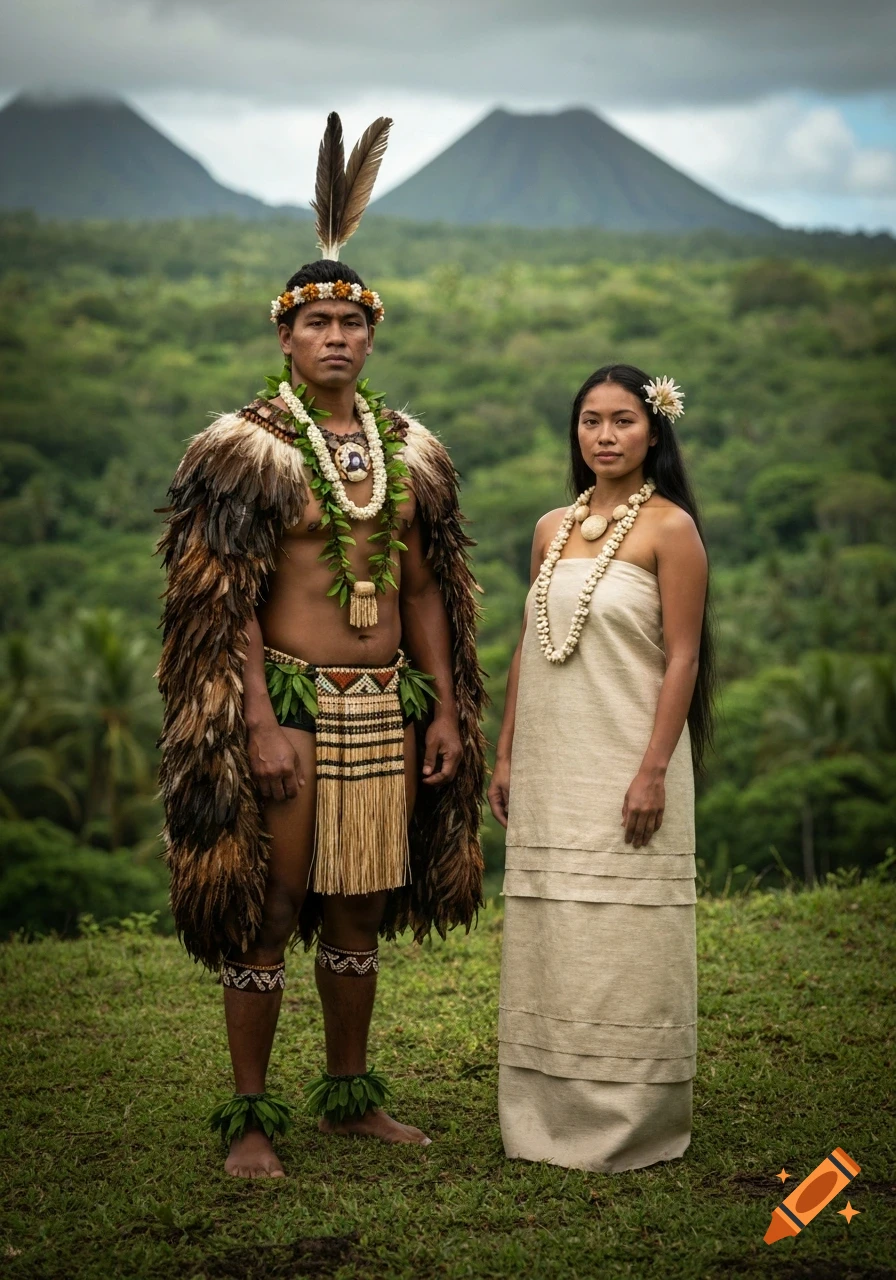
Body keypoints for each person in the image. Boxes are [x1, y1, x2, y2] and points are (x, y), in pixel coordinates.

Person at [157, 114, 485, 1178]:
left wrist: (442, 706)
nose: (338, 336)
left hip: (384, 701)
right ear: (285, 338)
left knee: (358, 903)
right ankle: (250, 1116)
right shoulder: (246, 448)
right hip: (289, 703)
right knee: (274, 902)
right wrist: (254, 717)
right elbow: (225, 600)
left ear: (371, 336)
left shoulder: (408, 449)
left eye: (353, 320)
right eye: (319, 323)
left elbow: (429, 585)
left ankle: (347, 1096)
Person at [488, 363, 714, 1173]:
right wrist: (508, 750)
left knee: (625, 938)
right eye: (591, 421)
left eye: (623, 420)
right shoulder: (553, 527)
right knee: (559, 930)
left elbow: (683, 658)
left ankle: (629, 1120)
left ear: (654, 430)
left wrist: (654, 769)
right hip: (556, 760)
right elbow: (530, 647)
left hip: (627, 757)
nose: (606, 436)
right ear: (575, 432)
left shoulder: (670, 529)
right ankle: (542, 1114)